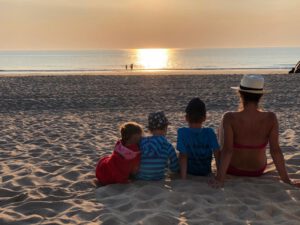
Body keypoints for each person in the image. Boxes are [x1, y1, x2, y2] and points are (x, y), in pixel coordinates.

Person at [211, 75, 296, 188]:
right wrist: (286, 180)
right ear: (260, 96)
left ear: (240, 94)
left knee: (222, 126)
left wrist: (220, 178)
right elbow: (275, 151)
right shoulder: (271, 118)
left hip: (233, 169)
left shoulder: (229, 117)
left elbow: (227, 150)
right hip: (257, 170)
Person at [177, 98, 220, 179]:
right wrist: (219, 175)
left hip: (189, 172)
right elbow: (217, 154)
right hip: (205, 172)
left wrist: (183, 178)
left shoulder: (182, 132)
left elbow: (183, 156)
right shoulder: (210, 132)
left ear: (186, 117)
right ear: (204, 118)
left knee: (180, 153)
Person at [136, 112, 179, 180]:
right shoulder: (167, 145)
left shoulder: (141, 142)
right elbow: (174, 166)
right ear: (165, 128)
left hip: (141, 177)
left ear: (150, 129)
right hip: (158, 178)